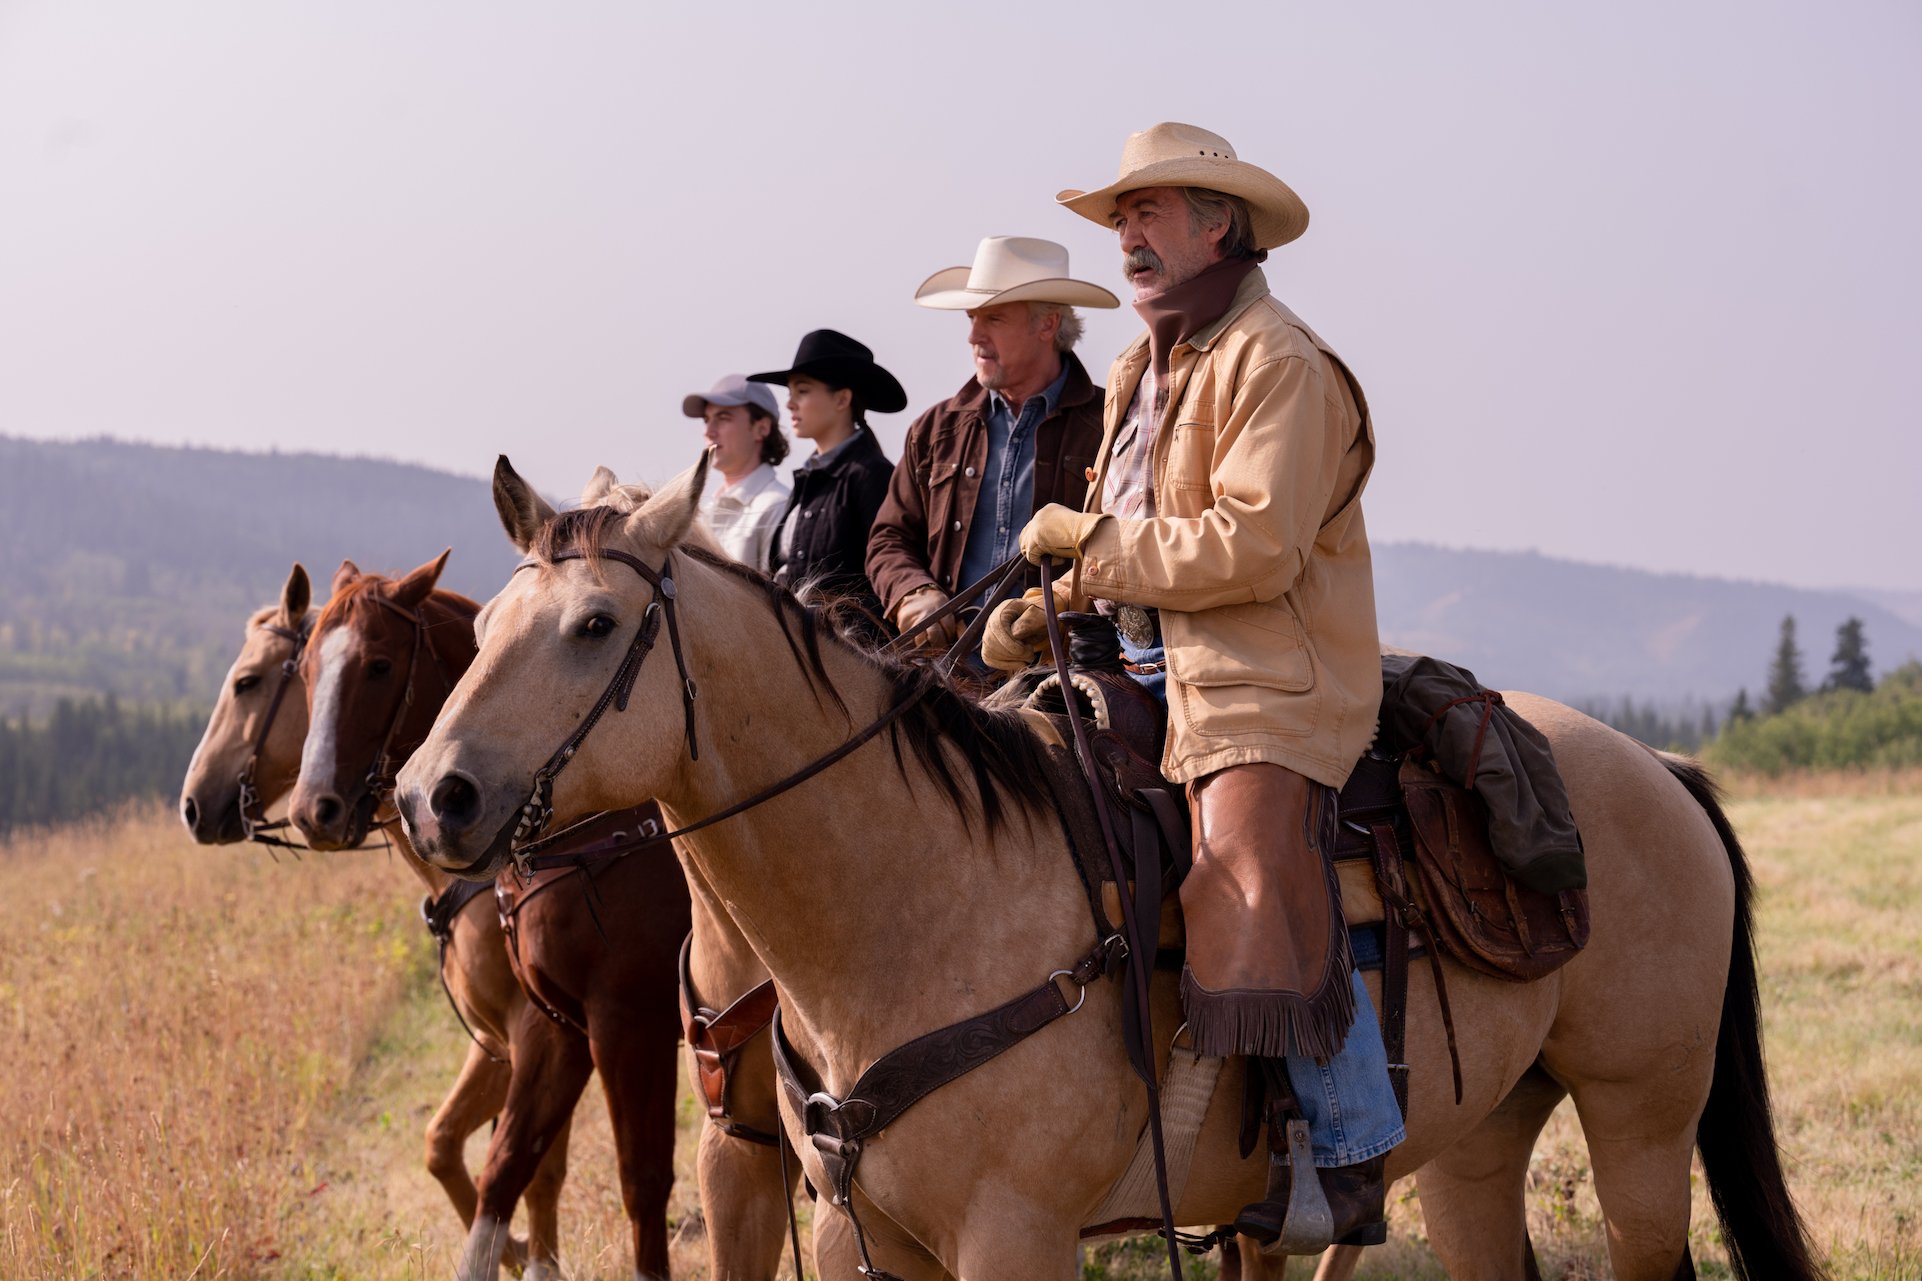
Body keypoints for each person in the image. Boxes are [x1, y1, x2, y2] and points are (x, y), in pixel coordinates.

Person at [986, 122, 1402, 1250]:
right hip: (1135, 661)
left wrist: (1093, 546)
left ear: (1218, 225)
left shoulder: (1280, 361)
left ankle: (1345, 1149)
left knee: (1249, 859)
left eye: (1149, 213)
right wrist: (1049, 607)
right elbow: (1130, 540)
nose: (1126, 235)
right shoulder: (1141, 366)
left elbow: (1252, 548)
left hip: (1264, 675)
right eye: (1120, 217)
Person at [866, 237, 1115, 648]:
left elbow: (1127, 550)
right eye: (971, 319)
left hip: (1055, 681)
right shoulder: (934, 430)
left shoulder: (1112, 424)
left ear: (1047, 324)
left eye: (993, 319)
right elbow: (888, 537)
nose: (973, 335)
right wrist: (914, 592)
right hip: (946, 680)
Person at [749, 330, 905, 627]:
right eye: (790, 393)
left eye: (803, 391)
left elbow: (887, 576)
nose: (790, 404)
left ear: (842, 399)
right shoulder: (808, 480)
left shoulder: (872, 475)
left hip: (848, 662)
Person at [682, 374, 790, 572]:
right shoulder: (703, 511)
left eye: (723, 418)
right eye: (707, 420)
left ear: (762, 428)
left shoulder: (777, 506)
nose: (709, 431)